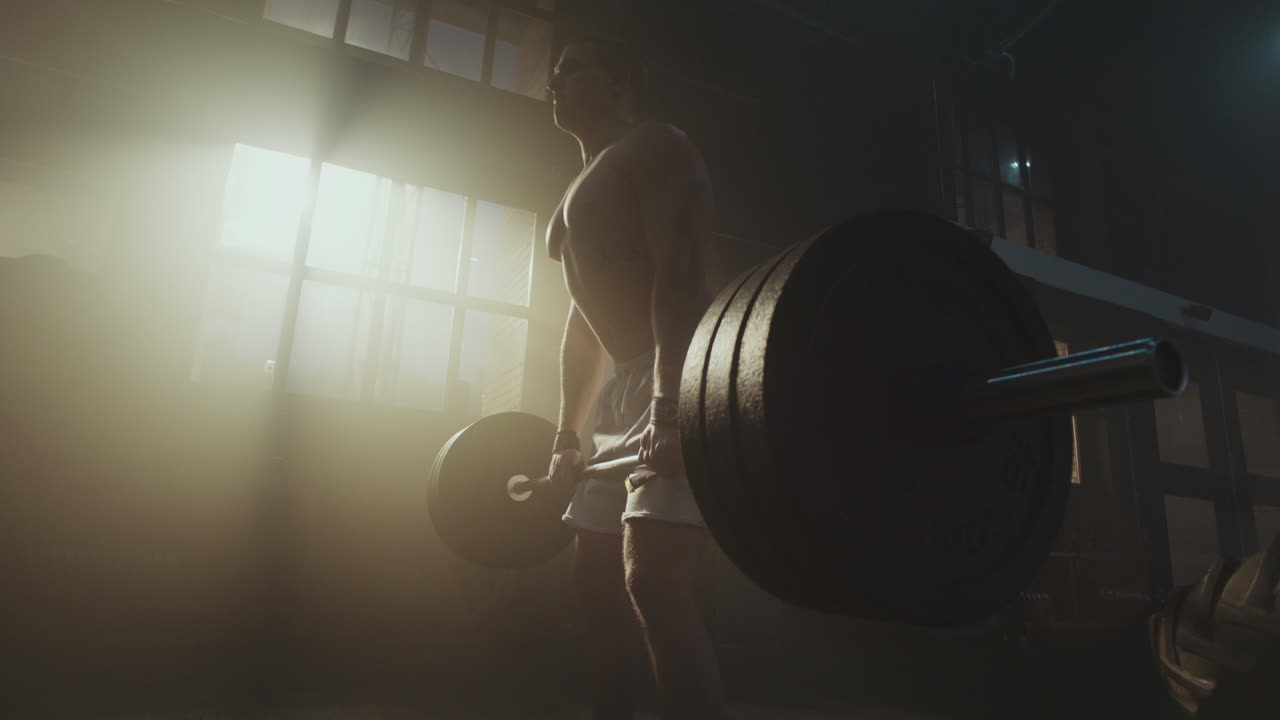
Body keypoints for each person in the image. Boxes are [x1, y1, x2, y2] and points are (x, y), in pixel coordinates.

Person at [542, 36, 726, 720]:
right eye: (553, 72)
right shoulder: (574, 191)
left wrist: (672, 407)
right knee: (593, 584)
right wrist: (567, 431)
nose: (553, 81)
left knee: (654, 580)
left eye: (571, 68)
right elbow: (585, 323)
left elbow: (679, 272)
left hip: (676, 369)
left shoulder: (654, 146)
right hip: (623, 385)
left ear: (621, 83)